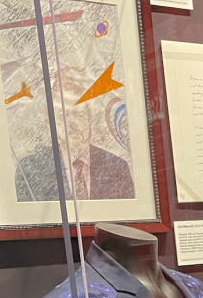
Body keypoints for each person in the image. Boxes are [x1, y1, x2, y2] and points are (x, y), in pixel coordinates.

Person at [14, 67, 134, 202]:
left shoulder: (117, 167)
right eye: (63, 116)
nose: (72, 123)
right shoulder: (29, 170)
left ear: (89, 120)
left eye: (79, 114)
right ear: (51, 124)